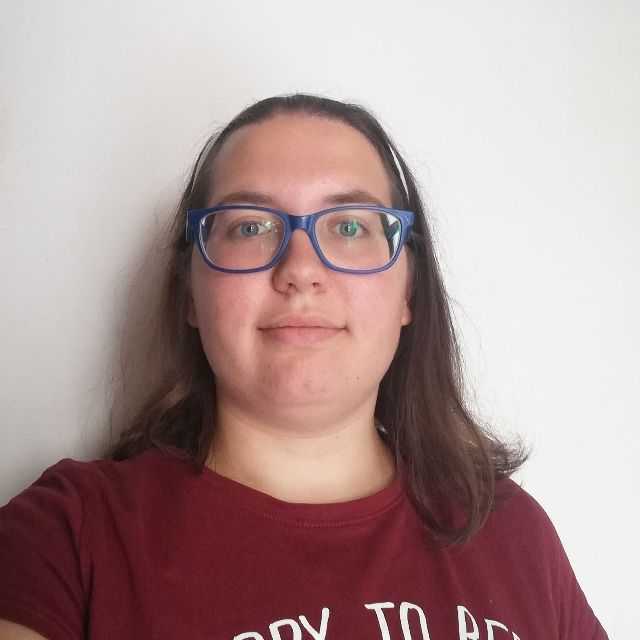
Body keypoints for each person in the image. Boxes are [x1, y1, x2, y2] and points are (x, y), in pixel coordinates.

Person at [0, 94, 608, 640]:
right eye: (249, 226)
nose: (300, 269)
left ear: (409, 293)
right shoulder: (68, 536)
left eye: (349, 226)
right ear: (190, 294)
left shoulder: (513, 533)